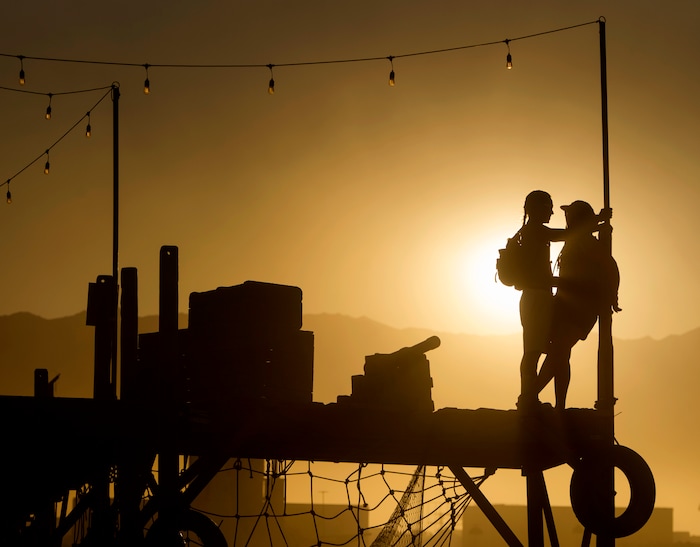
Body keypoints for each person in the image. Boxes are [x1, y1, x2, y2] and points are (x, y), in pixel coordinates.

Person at [529, 200, 620, 411]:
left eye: (569, 215)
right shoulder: (576, 239)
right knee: (560, 354)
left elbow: (610, 266)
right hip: (565, 305)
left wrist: (612, 296)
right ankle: (558, 405)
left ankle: (531, 394)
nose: (565, 219)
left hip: (581, 308)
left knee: (559, 351)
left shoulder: (585, 242)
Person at [515, 190, 567, 409]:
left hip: (534, 297)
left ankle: (529, 395)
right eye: (549, 207)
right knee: (534, 351)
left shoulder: (528, 232)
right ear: (537, 209)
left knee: (533, 350)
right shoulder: (534, 231)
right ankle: (528, 397)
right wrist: (594, 223)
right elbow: (561, 235)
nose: (552, 212)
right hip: (536, 298)